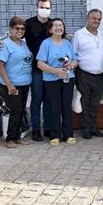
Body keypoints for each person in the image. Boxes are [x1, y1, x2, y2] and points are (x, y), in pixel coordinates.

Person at [0, 0, 53, 141]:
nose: (44, 10)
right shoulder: (28, 23)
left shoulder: (53, 23)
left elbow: (62, 36)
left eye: (47, 8)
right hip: (35, 69)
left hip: (51, 69)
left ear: (50, 9)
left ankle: (47, 128)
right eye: (42, 7)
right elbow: (14, 35)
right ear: (37, 7)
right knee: (36, 99)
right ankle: (35, 130)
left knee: (48, 100)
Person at [36, 18, 78, 146]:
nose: (59, 28)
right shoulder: (46, 44)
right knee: (55, 107)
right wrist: (56, 71)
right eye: (56, 25)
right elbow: (40, 64)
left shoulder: (67, 43)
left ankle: (68, 134)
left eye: (61, 25)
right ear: (50, 29)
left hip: (68, 79)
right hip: (51, 80)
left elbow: (75, 60)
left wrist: (71, 66)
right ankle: (55, 136)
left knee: (66, 106)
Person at [0, 16, 32, 148]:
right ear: (11, 29)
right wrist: (9, 84)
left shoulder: (23, 43)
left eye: (22, 28)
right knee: (15, 110)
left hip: (24, 83)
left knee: (21, 109)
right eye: (17, 28)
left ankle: (17, 137)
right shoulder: (5, 44)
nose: (20, 31)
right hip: (11, 84)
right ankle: (10, 139)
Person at [71, 9, 103, 140]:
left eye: (99, 19)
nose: (96, 21)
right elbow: (73, 54)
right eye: (94, 18)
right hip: (84, 74)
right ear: (87, 18)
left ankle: (93, 127)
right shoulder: (79, 35)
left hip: (99, 75)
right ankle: (86, 129)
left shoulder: (102, 35)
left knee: (95, 104)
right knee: (84, 102)